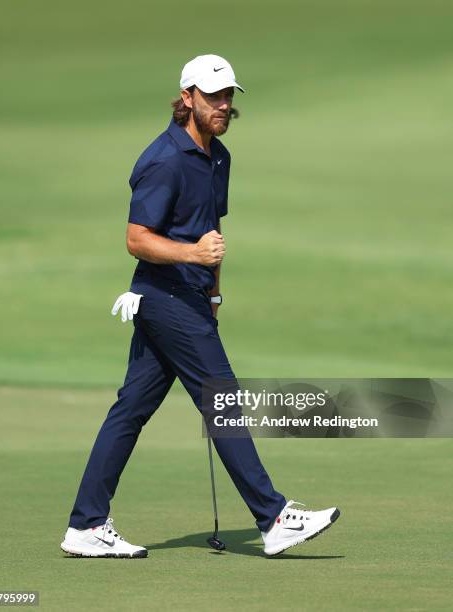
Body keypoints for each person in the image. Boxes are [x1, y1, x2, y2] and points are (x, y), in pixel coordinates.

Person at [60, 54, 340, 559]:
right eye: (212, 97)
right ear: (186, 98)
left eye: (228, 96)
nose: (223, 106)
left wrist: (213, 292)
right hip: (162, 298)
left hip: (190, 299)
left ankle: (85, 524)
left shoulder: (218, 158)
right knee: (224, 402)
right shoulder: (164, 159)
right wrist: (192, 257)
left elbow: (213, 231)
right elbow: (136, 239)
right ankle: (273, 518)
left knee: (130, 410)